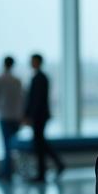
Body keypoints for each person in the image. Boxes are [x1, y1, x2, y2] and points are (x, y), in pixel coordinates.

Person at [24, 54, 64, 183]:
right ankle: (57, 165)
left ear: (38, 62)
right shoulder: (40, 77)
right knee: (41, 142)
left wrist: (29, 116)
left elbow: (36, 100)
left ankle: (42, 173)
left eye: (33, 61)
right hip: (40, 115)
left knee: (39, 144)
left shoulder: (39, 78)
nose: (31, 63)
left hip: (38, 116)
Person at [0, 56, 24, 181]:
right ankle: (9, 171)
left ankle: (6, 172)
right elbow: (22, 98)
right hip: (16, 116)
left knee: (6, 145)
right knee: (12, 145)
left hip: (4, 116)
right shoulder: (17, 81)